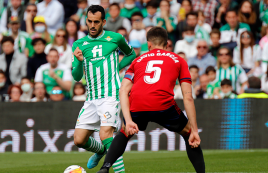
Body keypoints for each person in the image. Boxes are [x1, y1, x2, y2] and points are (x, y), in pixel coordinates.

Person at [96, 26, 205, 173]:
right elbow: (188, 97)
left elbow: (123, 90)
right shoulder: (179, 60)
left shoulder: (138, 60)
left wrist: (128, 121)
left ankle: (105, 167)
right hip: (163, 105)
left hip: (137, 105)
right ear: (167, 44)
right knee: (188, 134)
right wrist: (195, 130)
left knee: (124, 133)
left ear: (148, 45)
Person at [72, 5, 136, 173]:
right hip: (91, 98)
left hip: (111, 95)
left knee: (105, 135)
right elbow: (77, 77)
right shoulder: (79, 44)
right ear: (86, 21)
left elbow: (131, 54)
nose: (92, 25)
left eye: (96, 22)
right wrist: (78, 61)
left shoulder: (115, 38)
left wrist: (117, 68)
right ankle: (100, 151)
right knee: (79, 140)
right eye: (89, 21)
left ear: (103, 22)